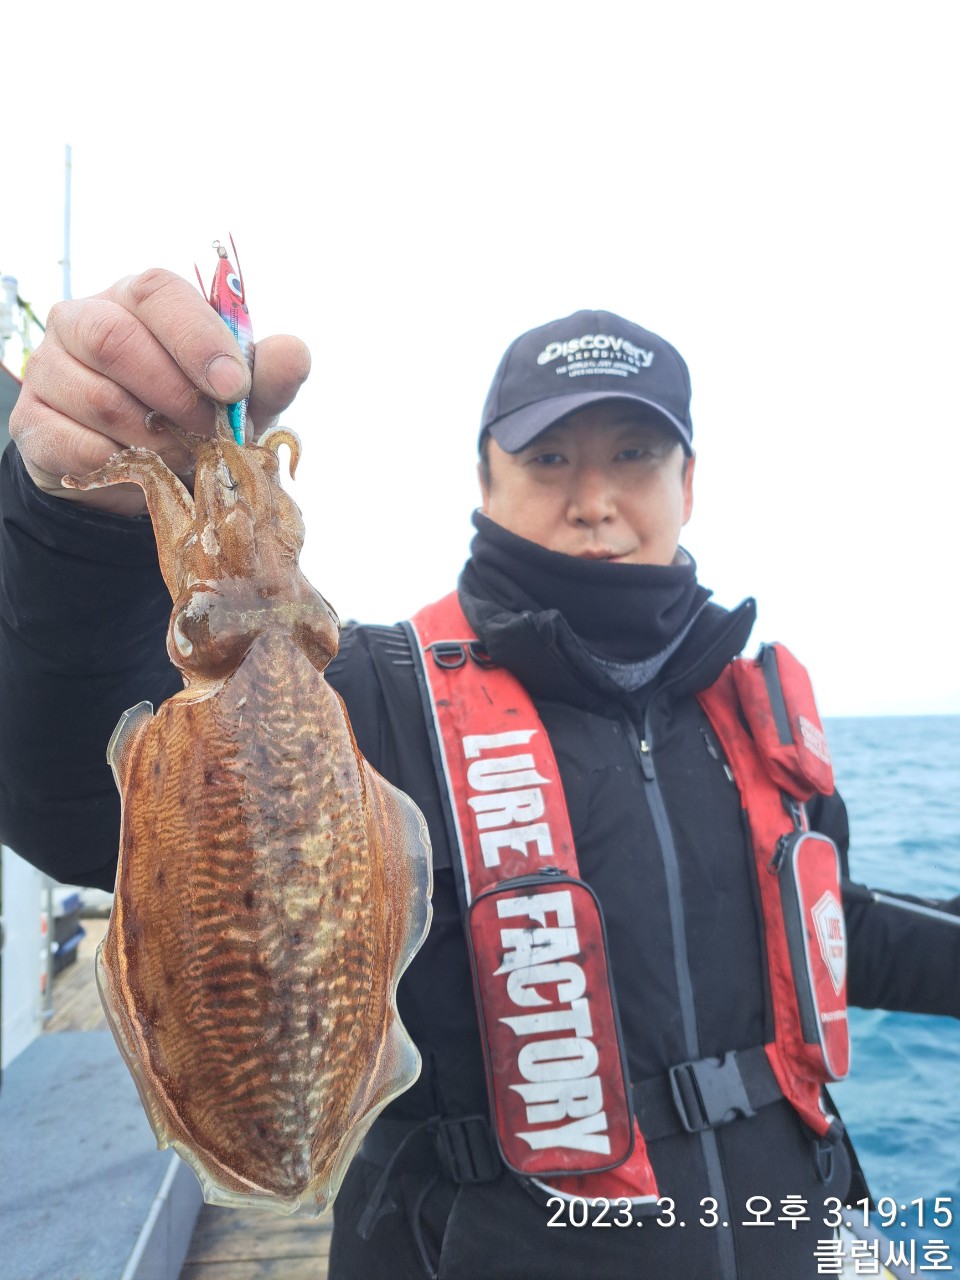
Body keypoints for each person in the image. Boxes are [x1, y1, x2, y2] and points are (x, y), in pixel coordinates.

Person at [0, 274, 957, 1280]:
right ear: (485, 480)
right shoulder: (370, 691)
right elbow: (74, 802)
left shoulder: (753, 713)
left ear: (691, 482)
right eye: (549, 457)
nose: (595, 499)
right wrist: (78, 535)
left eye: (636, 454)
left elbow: (829, 931)